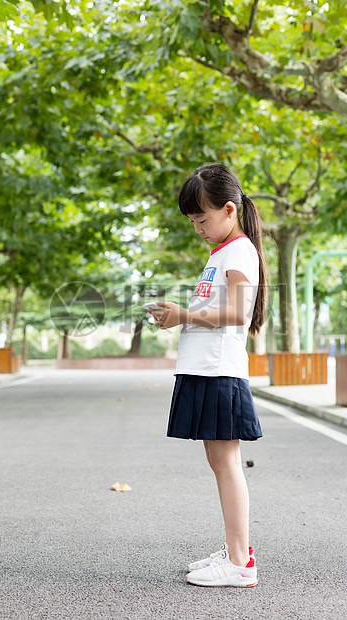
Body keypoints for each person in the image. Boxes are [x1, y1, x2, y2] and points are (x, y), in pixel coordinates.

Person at [149, 163, 268, 588]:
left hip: (219, 372)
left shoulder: (238, 251)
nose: (197, 227)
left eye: (202, 218)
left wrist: (183, 314)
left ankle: (239, 563)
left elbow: (237, 313)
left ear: (230, 210)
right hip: (206, 370)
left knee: (227, 464)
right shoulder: (221, 252)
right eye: (192, 221)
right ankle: (238, 551)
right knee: (220, 463)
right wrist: (178, 316)